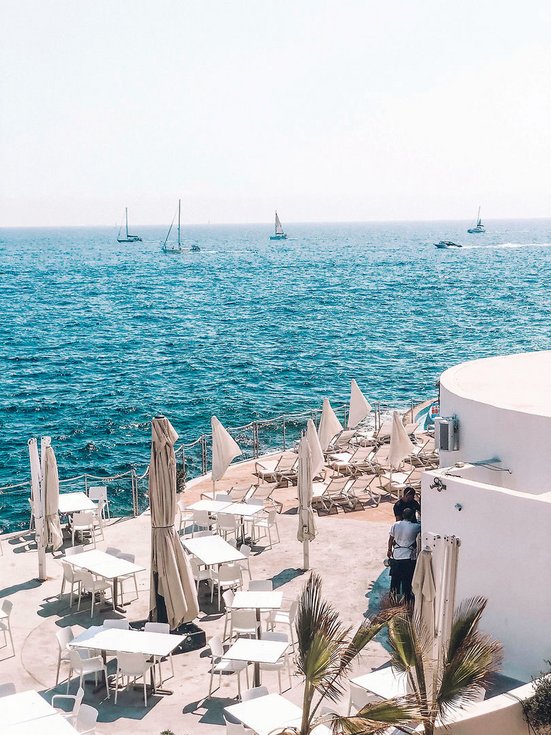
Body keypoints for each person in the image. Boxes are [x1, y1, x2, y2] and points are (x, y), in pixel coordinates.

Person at [387, 507, 421, 603]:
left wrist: (389, 550)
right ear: (412, 516)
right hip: (407, 557)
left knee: (395, 580)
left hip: (396, 555)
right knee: (407, 581)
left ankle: (392, 600)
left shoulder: (395, 525)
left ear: (402, 515)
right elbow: (424, 525)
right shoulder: (415, 527)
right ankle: (407, 601)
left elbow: (391, 539)